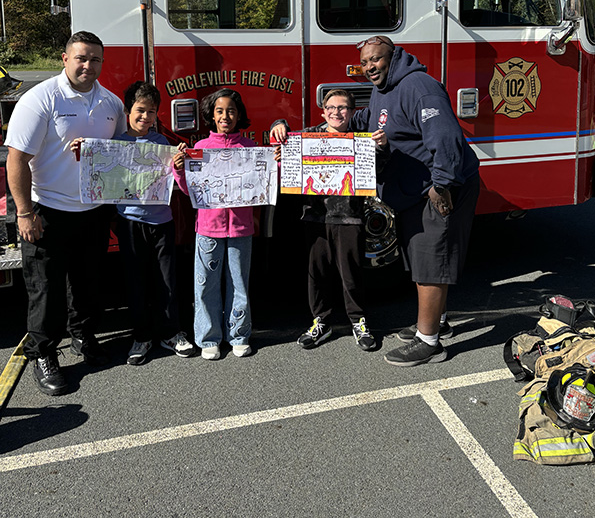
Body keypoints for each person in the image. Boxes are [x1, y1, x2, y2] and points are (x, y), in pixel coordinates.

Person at [5, 31, 127, 395]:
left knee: (88, 283)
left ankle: (83, 337)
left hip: (93, 210)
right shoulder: (40, 99)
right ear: (64, 58)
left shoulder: (111, 104)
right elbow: (17, 159)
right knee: (47, 289)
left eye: (95, 59)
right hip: (49, 211)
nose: (88, 66)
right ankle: (43, 353)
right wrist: (25, 213)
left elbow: (119, 152)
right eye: (81, 58)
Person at [353, 35, 480, 367]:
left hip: (439, 190)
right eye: (365, 63)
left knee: (431, 262)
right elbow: (366, 122)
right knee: (422, 259)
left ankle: (429, 342)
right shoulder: (384, 91)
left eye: (375, 60)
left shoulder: (418, 87)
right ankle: (437, 322)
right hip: (416, 190)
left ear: (392, 57)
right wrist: (315, 128)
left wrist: (442, 185)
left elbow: (446, 138)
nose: (370, 67)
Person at [271, 89, 388, 351]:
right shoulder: (309, 136)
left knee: (352, 272)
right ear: (323, 111)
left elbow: (378, 171)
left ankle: (358, 321)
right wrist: (277, 125)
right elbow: (282, 135)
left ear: (352, 111)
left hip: (350, 216)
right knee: (318, 272)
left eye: (343, 107)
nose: (337, 112)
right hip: (315, 217)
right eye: (331, 107)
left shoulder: (362, 140)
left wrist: (381, 148)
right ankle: (321, 321)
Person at [110, 81, 195, 366]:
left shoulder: (162, 144)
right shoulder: (116, 143)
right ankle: (141, 336)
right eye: (140, 110)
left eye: (151, 112)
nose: (145, 117)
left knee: (167, 279)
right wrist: (82, 150)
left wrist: (179, 161)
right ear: (127, 111)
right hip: (130, 222)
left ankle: (171, 333)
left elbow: (176, 176)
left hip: (162, 221)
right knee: (136, 282)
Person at [172, 88, 255, 360]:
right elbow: (188, 190)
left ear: (239, 114)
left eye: (231, 111)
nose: (225, 116)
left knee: (239, 283)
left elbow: (263, 184)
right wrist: (178, 169)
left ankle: (239, 335)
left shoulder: (251, 148)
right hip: (208, 228)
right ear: (211, 115)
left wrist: (274, 164)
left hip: (241, 227)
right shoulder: (201, 149)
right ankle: (208, 338)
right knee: (205, 283)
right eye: (219, 111)